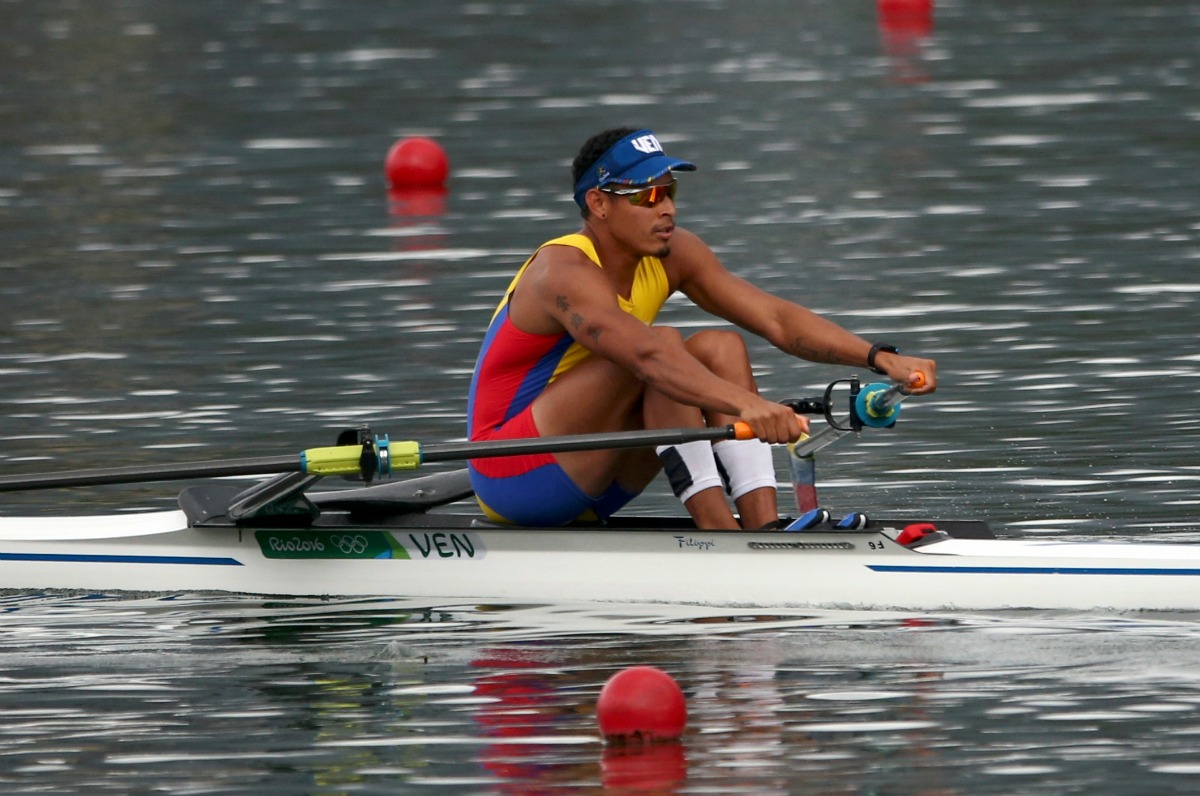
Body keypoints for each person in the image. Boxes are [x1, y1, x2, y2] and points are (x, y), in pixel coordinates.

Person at [466, 127, 936, 530]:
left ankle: (763, 527)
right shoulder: (561, 271)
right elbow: (646, 358)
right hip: (513, 475)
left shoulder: (674, 254)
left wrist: (879, 357)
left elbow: (775, 319)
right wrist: (751, 407)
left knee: (720, 344)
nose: (666, 208)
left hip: (600, 473)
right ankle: (717, 531)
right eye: (648, 196)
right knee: (663, 345)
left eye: (671, 192)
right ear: (599, 204)